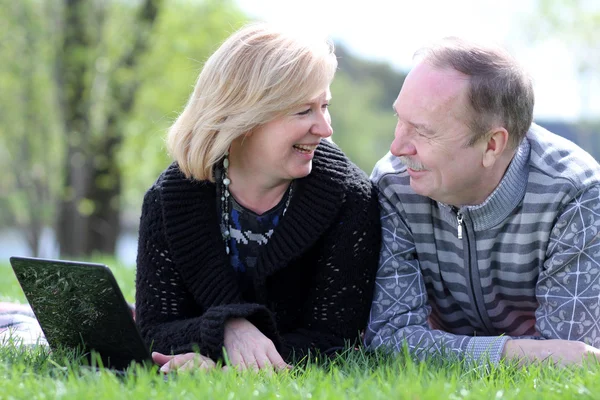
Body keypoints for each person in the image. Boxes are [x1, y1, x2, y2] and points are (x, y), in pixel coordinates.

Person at [135, 23, 381, 373]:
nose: (325, 129)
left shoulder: (350, 200)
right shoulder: (169, 199)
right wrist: (227, 330)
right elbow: (155, 329)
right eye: (303, 111)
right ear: (245, 118)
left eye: (324, 105)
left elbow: (334, 341)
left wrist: (222, 366)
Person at [365, 36, 600, 367]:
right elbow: (389, 337)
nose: (397, 147)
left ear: (492, 145)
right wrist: (509, 354)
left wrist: (440, 348)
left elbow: (574, 357)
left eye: (423, 131)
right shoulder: (393, 184)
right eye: (399, 119)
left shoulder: (575, 193)